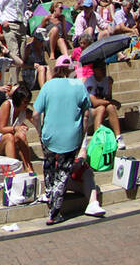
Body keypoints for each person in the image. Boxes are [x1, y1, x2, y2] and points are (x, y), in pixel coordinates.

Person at [34, 55, 103, 225]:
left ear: (56, 68)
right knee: (63, 174)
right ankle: (54, 213)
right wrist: (82, 133)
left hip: (49, 135)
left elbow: (36, 114)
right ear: (71, 69)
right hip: (70, 137)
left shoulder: (48, 85)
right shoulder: (78, 85)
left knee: (50, 169)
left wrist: (40, 131)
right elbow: (87, 114)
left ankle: (51, 202)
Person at [85, 59, 127, 150]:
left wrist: (110, 85)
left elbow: (108, 98)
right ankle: (98, 139)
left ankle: (118, 137)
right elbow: (94, 102)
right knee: (101, 108)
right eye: (101, 69)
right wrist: (111, 102)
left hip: (99, 111)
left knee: (110, 107)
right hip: (88, 114)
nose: (104, 71)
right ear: (95, 70)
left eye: (104, 68)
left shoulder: (105, 80)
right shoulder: (90, 81)